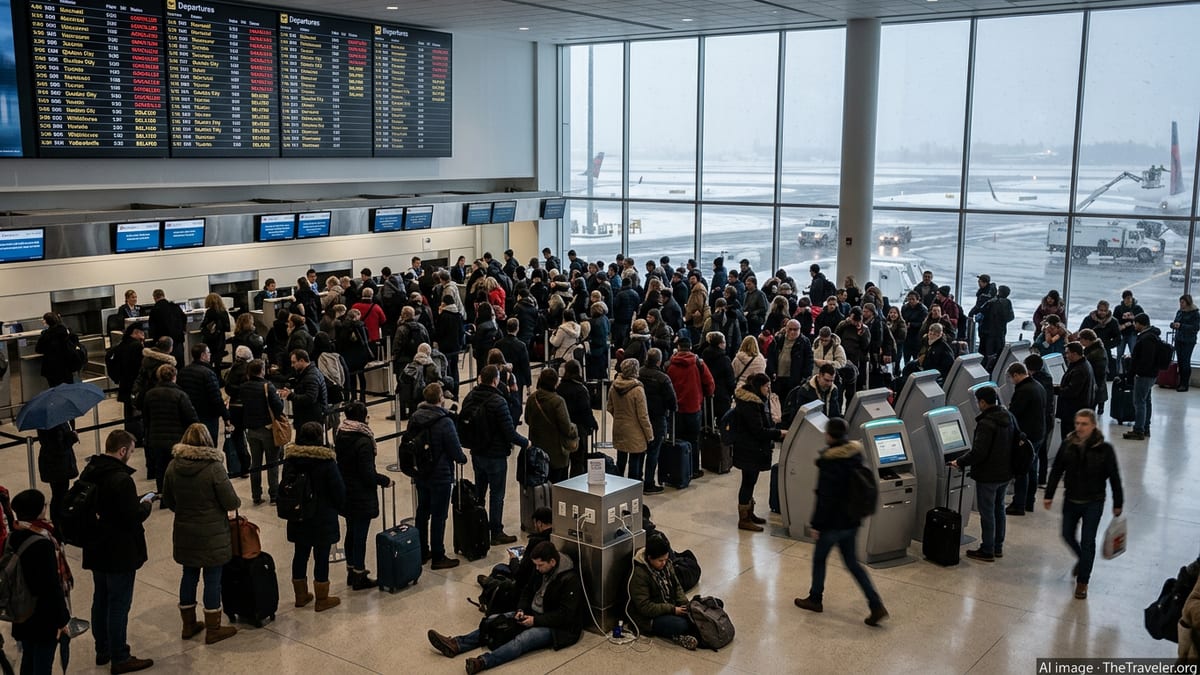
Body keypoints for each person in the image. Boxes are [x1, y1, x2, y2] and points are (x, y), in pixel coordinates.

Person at [427, 540, 583, 674]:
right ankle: (457, 644)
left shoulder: (570, 580)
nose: (537, 569)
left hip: (557, 627)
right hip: (533, 613)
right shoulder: (541, 570)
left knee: (523, 640)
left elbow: (565, 615)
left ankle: (483, 662)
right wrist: (521, 609)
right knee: (495, 620)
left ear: (552, 562)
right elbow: (527, 591)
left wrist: (536, 621)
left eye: (540, 565)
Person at [793, 417, 888, 626]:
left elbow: (824, 497)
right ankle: (875, 604)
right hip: (851, 520)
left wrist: (816, 525)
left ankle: (815, 599)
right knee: (853, 564)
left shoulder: (830, 461)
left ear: (828, 435)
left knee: (819, 559)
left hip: (832, 523)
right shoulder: (855, 455)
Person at [80, 430, 154, 674]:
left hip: (96, 546)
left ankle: (103, 649)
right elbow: (131, 518)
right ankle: (120, 656)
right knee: (119, 603)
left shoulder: (90, 470)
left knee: (100, 598)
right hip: (119, 550)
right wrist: (145, 506)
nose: (131, 456)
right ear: (123, 451)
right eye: (131, 452)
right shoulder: (121, 479)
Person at [161, 423, 240, 644]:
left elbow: (168, 500)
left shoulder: (172, 466)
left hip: (185, 531)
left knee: (189, 575)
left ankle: (188, 624)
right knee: (213, 578)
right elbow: (231, 501)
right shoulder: (213, 468)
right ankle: (213, 628)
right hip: (212, 531)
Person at [1043, 409, 1123, 600]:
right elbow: (1057, 470)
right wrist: (1049, 494)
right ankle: (1082, 558)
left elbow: (1114, 477)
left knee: (1088, 541)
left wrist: (1118, 502)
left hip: (1093, 501)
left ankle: (1083, 582)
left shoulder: (1105, 449)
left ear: (1093, 425)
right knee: (1066, 534)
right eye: (1077, 423)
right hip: (1071, 498)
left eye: (1084, 424)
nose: (1079, 427)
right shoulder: (1068, 444)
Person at [461, 365, 530, 546]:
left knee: (480, 491)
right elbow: (509, 432)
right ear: (495, 380)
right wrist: (526, 443)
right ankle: (496, 531)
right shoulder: (498, 402)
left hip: (477, 452)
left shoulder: (470, 397)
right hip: (496, 455)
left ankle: (479, 526)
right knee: (497, 494)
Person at [282, 422, 346, 613]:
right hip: (322, 517)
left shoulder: (290, 460)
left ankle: (300, 595)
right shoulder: (326, 462)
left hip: (298, 514)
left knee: (300, 554)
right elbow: (339, 491)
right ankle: (322, 598)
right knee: (321, 556)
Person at [8, 489, 72, 675]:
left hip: (21, 610)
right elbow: (50, 587)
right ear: (38, 510)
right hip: (42, 616)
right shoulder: (42, 542)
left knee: (28, 658)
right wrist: (62, 619)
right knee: (43, 663)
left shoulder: (14, 535)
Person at [334, 401, 394, 588]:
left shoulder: (341, 433)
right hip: (360, 493)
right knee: (360, 535)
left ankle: (351, 569)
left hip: (345, 489)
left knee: (351, 531)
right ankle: (359, 573)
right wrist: (384, 480)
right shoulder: (364, 441)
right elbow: (367, 473)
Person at [950, 387, 1013, 562]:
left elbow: (978, 452)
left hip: (989, 475)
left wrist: (959, 462)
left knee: (987, 513)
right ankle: (997, 546)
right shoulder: (1008, 417)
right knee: (999, 508)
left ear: (983, 402)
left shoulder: (986, 423)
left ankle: (987, 550)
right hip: (1006, 472)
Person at [411, 382, 468, 569]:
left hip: (421, 473)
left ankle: (421, 551)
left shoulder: (415, 417)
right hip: (441, 476)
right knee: (439, 516)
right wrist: (462, 458)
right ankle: (438, 555)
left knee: (422, 511)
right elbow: (455, 450)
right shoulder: (445, 422)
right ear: (441, 399)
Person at [731, 373, 785, 532]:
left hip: (749, 448)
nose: (768, 390)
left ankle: (749, 513)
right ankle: (744, 519)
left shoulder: (753, 401)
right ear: (758, 387)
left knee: (750, 481)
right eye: (766, 387)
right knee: (748, 482)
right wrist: (778, 433)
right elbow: (758, 431)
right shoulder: (751, 404)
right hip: (749, 449)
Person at [628, 533, 699, 650]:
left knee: (701, 609)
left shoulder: (667, 565)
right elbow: (645, 607)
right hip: (650, 617)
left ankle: (690, 633)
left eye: (666, 559)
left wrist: (685, 604)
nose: (664, 563)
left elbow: (677, 586)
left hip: (669, 605)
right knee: (681, 624)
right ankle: (682, 635)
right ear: (650, 558)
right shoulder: (639, 574)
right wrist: (672, 609)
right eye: (660, 560)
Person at [142, 364, 198, 495]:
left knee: (160, 468)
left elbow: (146, 417)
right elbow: (190, 416)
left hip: (156, 438)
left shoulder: (150, 394)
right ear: (174, 377)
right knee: (178, 467)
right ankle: (177, 493)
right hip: (177, 438)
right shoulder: (180, 395)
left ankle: (163, 494)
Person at [239, 359, 286, 505]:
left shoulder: (244, 387)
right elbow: (278, 407)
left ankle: (256, 495)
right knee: (272, 463)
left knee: (256, 463)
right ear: (262, 370)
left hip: (251, 429)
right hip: (267, 428)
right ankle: (274, 494)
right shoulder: (267, 386)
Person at [666, 338, 715, 480]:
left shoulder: (670, 365)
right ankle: (693, 469)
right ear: (691, 347)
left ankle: (679, 468)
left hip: (676, 409)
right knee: (694, 439)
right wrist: (707, 394)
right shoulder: (698, 364)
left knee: (677, 439)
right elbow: (709, 382)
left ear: (678, 347)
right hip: (694, 406)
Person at [1005, 363, 1046, 516]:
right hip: (1038, 434)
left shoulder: (1023, 390)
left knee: (1022, 471)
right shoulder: (1037, 386)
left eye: (1011, 377)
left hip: (1026, 436)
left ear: (1016, 375)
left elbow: (1013, 414)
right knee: (1032, 469)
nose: (1011, 381)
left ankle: (1019, 504)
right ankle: (1029, 501)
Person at [525, 369, 576, 483]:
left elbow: (527, 420)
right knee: (558, 488)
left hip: (537, 453)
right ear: (555, 382)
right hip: (556, 454)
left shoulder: (532, 399)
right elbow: (566, 428)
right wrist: (574, 428)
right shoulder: (558, 401)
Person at [609, 358, 654, 481]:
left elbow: (610, 407)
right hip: (635, 430)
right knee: (635, 460)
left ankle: (618, 485)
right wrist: (649, 435)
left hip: (619, 427)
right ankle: (632, 490)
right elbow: (643, 416)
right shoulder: (638, 390)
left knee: (621, 458)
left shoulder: (614, 386)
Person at [178, 343, 229, 444]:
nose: (210, 355)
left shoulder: (183, 372)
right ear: (203, 355)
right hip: (208, 416)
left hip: (189, 415)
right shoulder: (208, 373)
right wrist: (226, 416)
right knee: (208, 444)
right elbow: (216, 398)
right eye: (208, 352)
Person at [1125, 313, 1162, 441]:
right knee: (1146, 401)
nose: (1135, 325)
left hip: (1144, 375)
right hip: (1151, 374)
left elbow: (1146, 359)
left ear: (1141, 324)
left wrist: (1138, 372)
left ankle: (1139, 430)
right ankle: (1145, 427)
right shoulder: (1152, 336)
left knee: (1139, 402)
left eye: (1136, 323)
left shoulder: (1147, 338)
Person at [557, 361, 596, 477]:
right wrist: (592, 423)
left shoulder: (559, 388)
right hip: (579, 429)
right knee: (578, 461)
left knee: (564, 460)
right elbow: (585, 411)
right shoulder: (581, 389)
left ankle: (562, 485)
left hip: (563, 428)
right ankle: (575, 487)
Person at [766, 319, 814, 402]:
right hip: (778, 378)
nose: (792, 332)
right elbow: (770, 357)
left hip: (794, 380)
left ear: (799, 329)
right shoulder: (778, 340)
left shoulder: (804, 342)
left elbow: (809, 361)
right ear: (786, 329)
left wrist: (804, 378)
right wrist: (772, 371)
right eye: (790, 329)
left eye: (795, 330)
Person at [280, 349, 327, 430]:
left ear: (302, 361)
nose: (292, 365)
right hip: (306, 417)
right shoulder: (305, 373)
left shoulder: (311, 376)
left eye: (294, 362)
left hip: (311, 420)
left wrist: (291, 395)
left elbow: (310, 398)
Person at [1056, 342, 1094, 441]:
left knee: (1070, 439)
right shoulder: (1083, 365)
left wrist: (1055, 390)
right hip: (1076, 409)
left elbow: (1071, 391)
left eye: (1067, 353)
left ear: (1075, 354)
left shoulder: (1080, 370)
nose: (1066, 356)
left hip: (1072, 411)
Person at [36, 312, 81, 388]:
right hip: (66, 366)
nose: (43, 321)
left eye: (44, 319)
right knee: (68, 388)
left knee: (54, 389)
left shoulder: (46, 335)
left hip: (51, 368)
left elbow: (38, 349)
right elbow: (75, 341)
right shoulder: (66, 331)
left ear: (47, 322)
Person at [701, 332, 735, 422]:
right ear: (720, 344)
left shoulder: (704, 356)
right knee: (723, 422)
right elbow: (730, 379)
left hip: (706, 394)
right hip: (722, 395)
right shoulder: (725, 359)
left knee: (707, 421)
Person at [148, 289, 188, 365]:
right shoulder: (175, 306)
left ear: (154, 298)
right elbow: (184, 318)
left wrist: (154, 340)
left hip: (164, 343)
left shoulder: (155, 310)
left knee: (167, 365)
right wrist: (182, 330)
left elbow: (152, 327)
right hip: (178, 341)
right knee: (179, 363)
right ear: (164, 295)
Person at [1171, 294, 1199, 392]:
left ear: (1188, 302)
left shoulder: (1195, 313)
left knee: (1185, 362)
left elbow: (1195, 328)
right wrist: (1173, 325)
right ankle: (1180, 382)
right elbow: (1175, 321)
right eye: (1180, 302)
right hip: (1179, 339)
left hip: (1188, 341)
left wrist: (1181, 326)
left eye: (1182, 302)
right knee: (1180, 361)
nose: (1181, 304)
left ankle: (1185, 384)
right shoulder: (1180, 312)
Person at [1078, 330, 1108, 414]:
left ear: (1087, 340)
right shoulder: (1097, 349)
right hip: (1098, 380)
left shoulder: (1096, 353)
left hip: (1095, 380)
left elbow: (1100, 371)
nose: (1080, 342)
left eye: (1081, 340)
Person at [1114, 290, 1143, 373]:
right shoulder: (1118, 309)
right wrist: (1122, 325)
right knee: (1119, 354)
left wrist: (1133, 318)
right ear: (1123, 299)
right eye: (1127, 299)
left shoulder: (1137, 308)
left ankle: (1133, 372)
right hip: (1122, 334)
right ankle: (1118, 373)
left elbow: (1143, 319)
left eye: (1130, 298)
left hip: (1132, 333)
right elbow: (1115, 321)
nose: (1129, 300)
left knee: (1134, 353)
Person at [201, 293, 231, 365]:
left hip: (210, 340)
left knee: (209, 360)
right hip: (220, 340)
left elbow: (204, 325)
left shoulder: (209, 312)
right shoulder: (224, 312)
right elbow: (227, 328)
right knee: (218, 360)